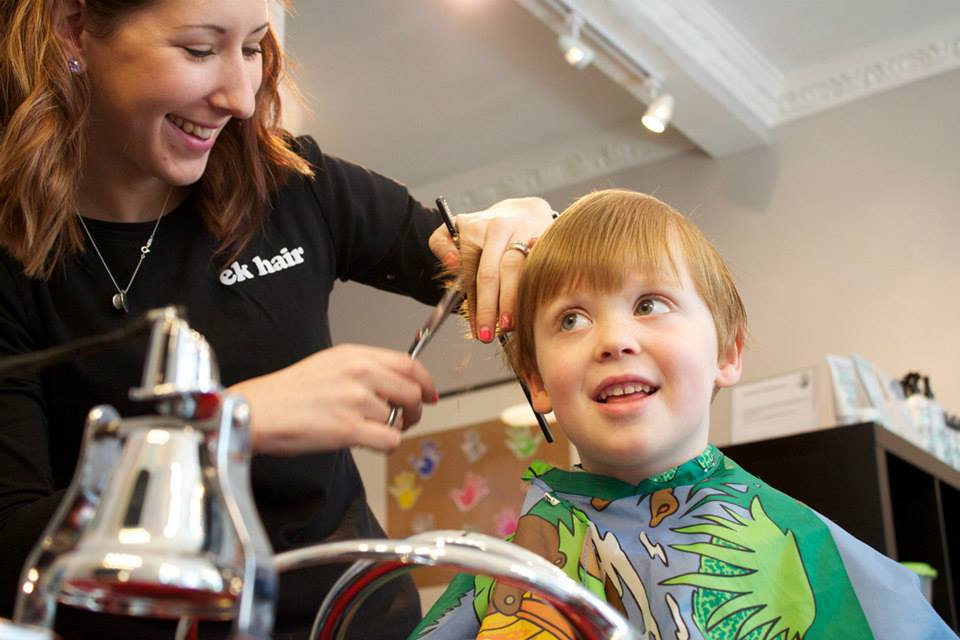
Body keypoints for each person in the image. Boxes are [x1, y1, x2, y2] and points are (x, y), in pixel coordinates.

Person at [0, 0, 555, 638]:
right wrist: (227, 426)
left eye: (254, 46)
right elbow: (14, 546)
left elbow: (484, 260)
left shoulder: (293, 188)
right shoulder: (10, 269)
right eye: (200, 50)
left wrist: (529, 233)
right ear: (72, 27)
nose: (240, 97)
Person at [412, 189, 956, 640]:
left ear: (727, 352)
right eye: (572, 319)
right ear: (537, 380)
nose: (614, 340)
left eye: (648, 305)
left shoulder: (811, 554)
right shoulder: (505, 580)